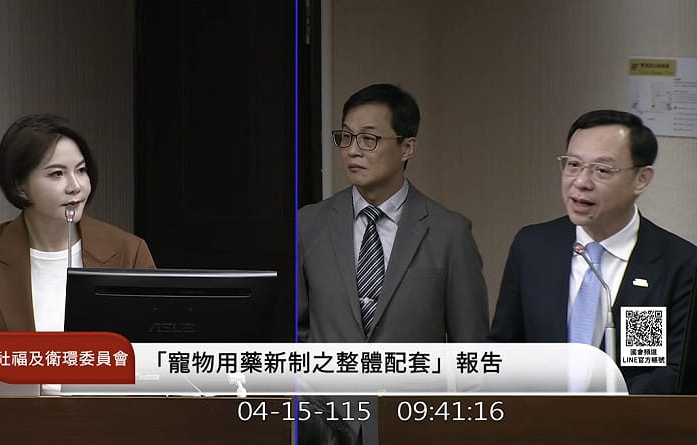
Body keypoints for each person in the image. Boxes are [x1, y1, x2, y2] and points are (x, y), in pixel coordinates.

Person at [298, 83, 489, 444]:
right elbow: (297, 331)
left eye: (368, 139)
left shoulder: (449, 233)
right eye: (346, 137)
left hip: (412, 424)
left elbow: (471, 353)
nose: (353, 150)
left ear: (407, 147)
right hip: (324, 427)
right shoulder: (309, 224)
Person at [489, 109, 697, 394]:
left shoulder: (678, 263)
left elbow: (675, 372)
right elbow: (504, 349)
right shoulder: (533, 247)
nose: (581, 182)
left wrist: (601, 409)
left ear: (641, 179)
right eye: (573, 165)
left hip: (633, 420)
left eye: (602, 170)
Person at [0, 113, 156, 345]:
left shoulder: (129, 252)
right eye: (56, 174)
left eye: (81, 170)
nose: (75, 186)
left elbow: (155, 352)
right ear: (20, 186)